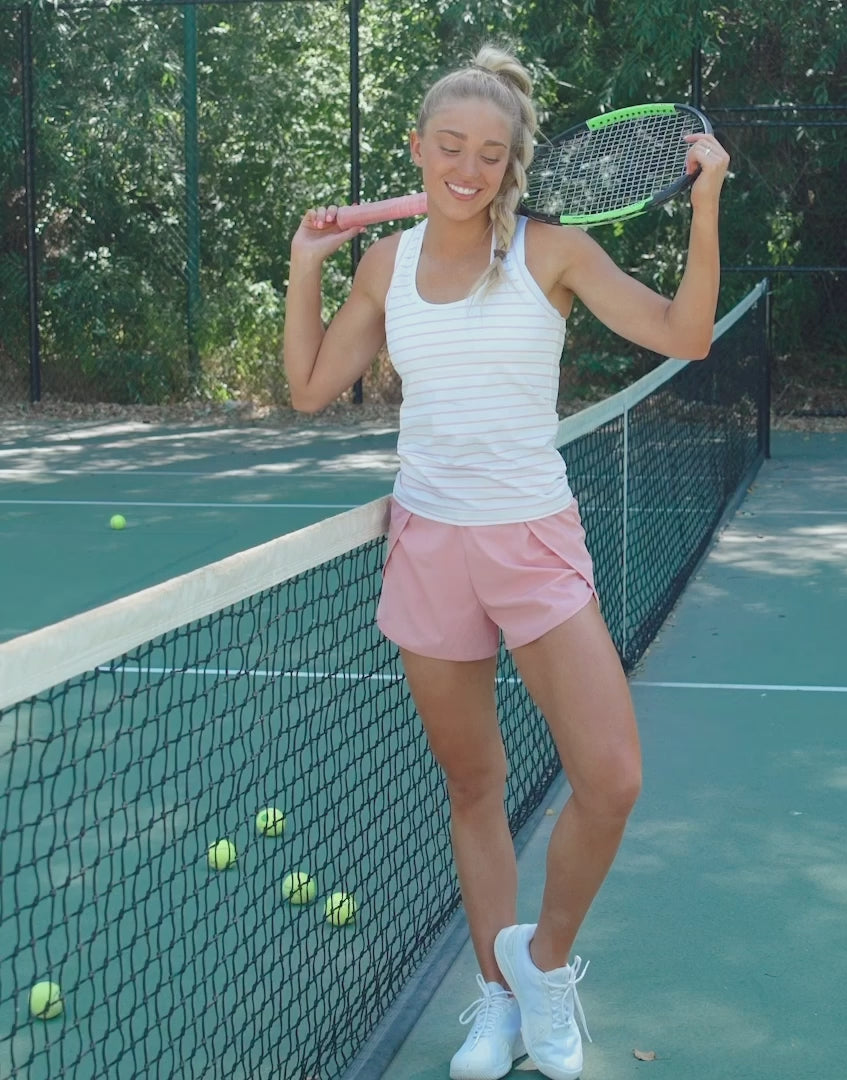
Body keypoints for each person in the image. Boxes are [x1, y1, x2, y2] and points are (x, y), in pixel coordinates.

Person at [284, 43, 729, 1080]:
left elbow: (690, 334)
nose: (468, 169)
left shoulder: (554, 251)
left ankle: (544, 967)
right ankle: (494, 1002)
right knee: (473, 786)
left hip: (532, 544)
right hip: (429, 549)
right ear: (420, 149)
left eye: (490, 153)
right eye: (449, 149)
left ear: (514, 161)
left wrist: (705, 202)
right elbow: (309, 387)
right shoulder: (383, 265)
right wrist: (309, 264)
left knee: (610, 779)